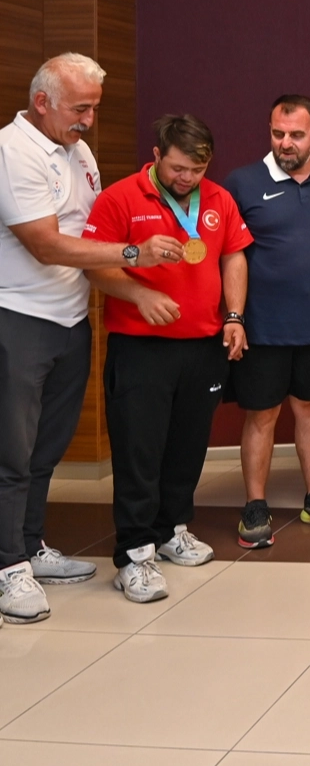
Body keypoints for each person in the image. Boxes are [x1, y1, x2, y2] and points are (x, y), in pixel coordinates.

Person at [2, 55, 158, 622]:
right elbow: (46, 244)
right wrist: (133, 253)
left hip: (71, 319)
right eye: (80, 108)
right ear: (42, 101)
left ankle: (29, 545)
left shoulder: (78, 151)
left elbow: (93, 229)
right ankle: (7, 568)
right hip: (18, 317)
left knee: (46, 448)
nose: (89, 120)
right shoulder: (13, 151)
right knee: (11, 453)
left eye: (94, 108)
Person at [83, 114, 250, 603]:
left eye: (197, 170)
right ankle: (134, 554)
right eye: (178, 168)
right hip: (141, 347)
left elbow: (233, 256)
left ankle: (171, 529)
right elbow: (94, 264)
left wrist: (234, 315)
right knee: (140, 450)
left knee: (187, 446)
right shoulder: (120, 198)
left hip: (202, 345)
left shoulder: (218, 198)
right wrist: (139, 294)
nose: (187, 178)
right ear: (156, 156)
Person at [223, 95, 310, 548]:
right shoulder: (242, 182)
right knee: (262, 415)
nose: (286, 142)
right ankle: (255, 504)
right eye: (278, 133)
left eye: (296, 135)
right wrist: (235, 316)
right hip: (262, 325)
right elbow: (230, 255)